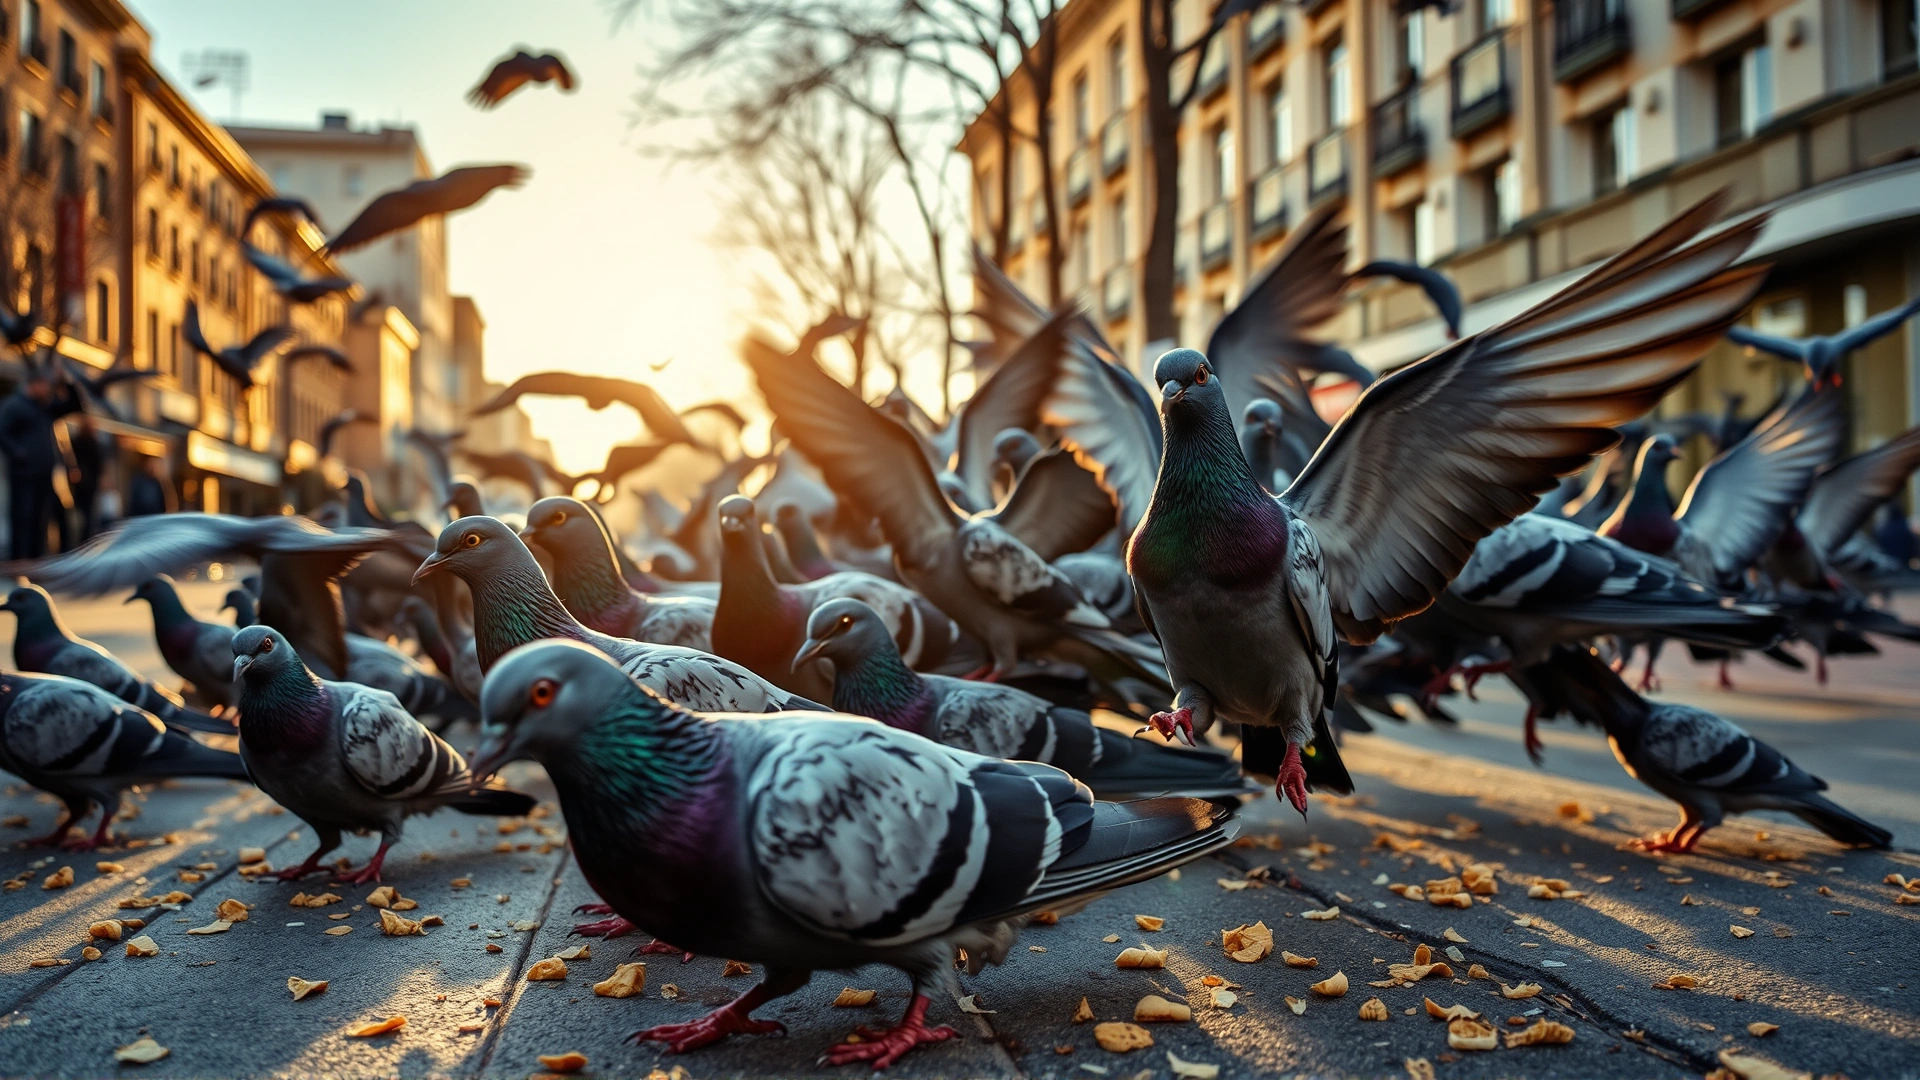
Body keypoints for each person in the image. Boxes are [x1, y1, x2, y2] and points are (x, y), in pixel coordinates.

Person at [0, 366, 77, 559]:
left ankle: (35, 560)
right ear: (33, 384)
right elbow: (2, 431)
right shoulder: (15, 405)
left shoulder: (45, 408)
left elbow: (73, 405)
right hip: (24, 474)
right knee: (23, 517)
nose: (47, 389)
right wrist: (18, 453)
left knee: (40, 519)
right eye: (44, 384)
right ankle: (19, 559)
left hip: (44, 473)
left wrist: (65, 382)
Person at [65, 411, 103, 542]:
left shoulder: (91, 442)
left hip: (85, 484)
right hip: (81, 484)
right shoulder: (87, 442)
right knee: (84, 515)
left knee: (86, 516)